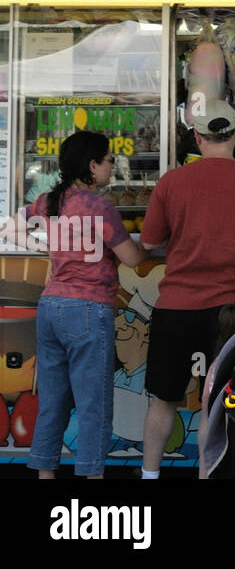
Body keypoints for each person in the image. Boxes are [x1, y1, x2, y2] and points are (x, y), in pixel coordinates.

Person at [139, 99, 235, 479]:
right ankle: (207, 474)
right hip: (234, 311)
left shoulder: (171, 182)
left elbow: (147, 242)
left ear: (197, 137)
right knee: (216, 401)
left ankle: (149, 475)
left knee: (163, 400)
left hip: (176, 306)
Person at [14, 132, 146, 477]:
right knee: (93, 404)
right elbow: (131, 259)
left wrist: (42, 248)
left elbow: (10, 228)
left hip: (50, 307)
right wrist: (148, 245)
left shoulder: (49, 201)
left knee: (52, 403)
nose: (112, 166)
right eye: (109, 160)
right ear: (92, 166)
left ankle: (45, 474)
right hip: (87, 309)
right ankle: (91, 475)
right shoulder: (99, 206)